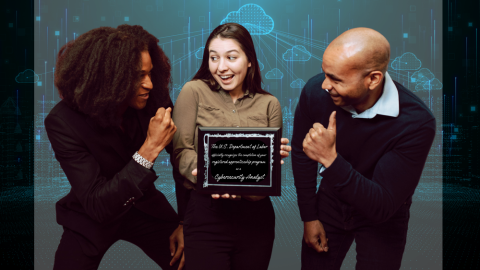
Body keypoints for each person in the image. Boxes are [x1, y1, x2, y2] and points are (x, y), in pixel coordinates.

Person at [291, 27, 436, 270]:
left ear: (373, 79)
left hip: (384, 212)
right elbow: (300, 152)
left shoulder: (416, 123)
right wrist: (309, 216)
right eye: (325, 73)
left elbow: (381, 206)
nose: (325, 84)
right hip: (330, 201)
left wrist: (330, 158)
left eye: (336, 79)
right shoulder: (316, 92)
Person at [45, 25, 185, 270]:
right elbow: (97, 203)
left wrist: (187, 222)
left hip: (146, 206)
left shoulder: (155, 99)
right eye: (138, 76)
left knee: (192, 259)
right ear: (109, 77)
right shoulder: (63, 122)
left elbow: (184, 161)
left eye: (150, 73)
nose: (149, 84)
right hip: (92, 214)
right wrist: (150, 148)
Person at [172, 23, 291, 270]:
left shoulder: (270, 104)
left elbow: (267, 178)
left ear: (249, 61)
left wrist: (270, 164)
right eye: (213, 58)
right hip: (207, 214)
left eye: (231, 57)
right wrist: (216, 176)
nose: (221, 67)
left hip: (256, 219)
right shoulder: (193, 91)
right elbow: (181, 152)